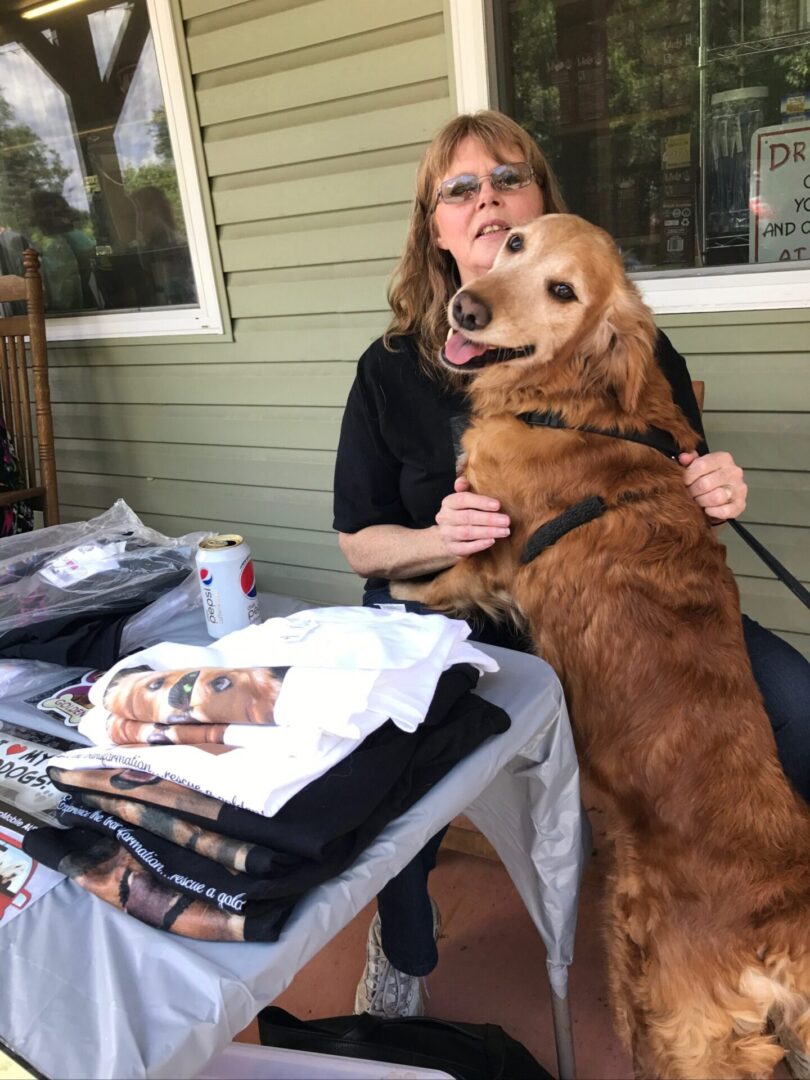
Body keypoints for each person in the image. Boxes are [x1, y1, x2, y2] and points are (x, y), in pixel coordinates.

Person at [332, 109, 810, 1018]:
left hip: (618, 606)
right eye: (461, 189)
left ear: (542, 202)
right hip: (459, 610)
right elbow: (361, 540)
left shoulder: (629, 341)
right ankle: (404, 946)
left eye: (509, 177)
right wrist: (447, 538)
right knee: (392, 744)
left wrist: (712, 483)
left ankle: (785, 921)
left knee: (799, 704)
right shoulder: (390, 369)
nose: (487, 199)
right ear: (437, 228)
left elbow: (677, 476)